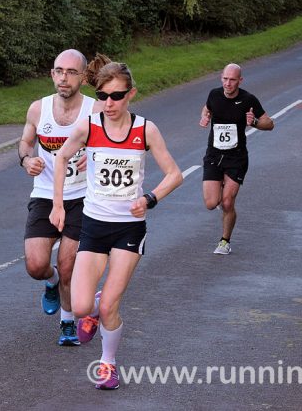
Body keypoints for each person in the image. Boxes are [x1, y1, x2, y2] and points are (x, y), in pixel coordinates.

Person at [50, 55, 183, 390]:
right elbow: (62, 155)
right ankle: (92, 308)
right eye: (103, 96)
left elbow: (174, 175)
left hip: (128, 228)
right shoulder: (90, 126)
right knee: (81, 306)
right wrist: (58, 205)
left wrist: (149, 199)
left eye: (117, 96)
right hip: (93, 225)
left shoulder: (144, 129)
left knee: (111, 305)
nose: (109, 103)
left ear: (131, 94)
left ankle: (108, 365)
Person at [19, 49, 102, 346]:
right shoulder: (38, 109)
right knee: (35, 265)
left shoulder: (94, 111)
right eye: (58, 71)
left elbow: (109, 146)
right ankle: (51, 283)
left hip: (82, 197)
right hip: (44, 194)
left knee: (69, 264)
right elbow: (26, 142)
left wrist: (93, 158)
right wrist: (27, 160)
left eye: (70, 72)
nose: (63, 78)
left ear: (82, 77)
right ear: (52, 74)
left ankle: (68, 323)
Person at [199, 63, 273, 255]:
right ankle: (222, 191)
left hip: (236, 158)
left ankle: (225, 241)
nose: (228, 83)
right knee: (210, 203)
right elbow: (206, 108)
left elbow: (269, 123)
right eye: (225, 79)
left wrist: (255, 122)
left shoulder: (248, 99)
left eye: (232, 80)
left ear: (240, 80)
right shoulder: (214, 94)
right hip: (214, 155)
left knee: (227, 203)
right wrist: (205, 117)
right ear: (221, 78)